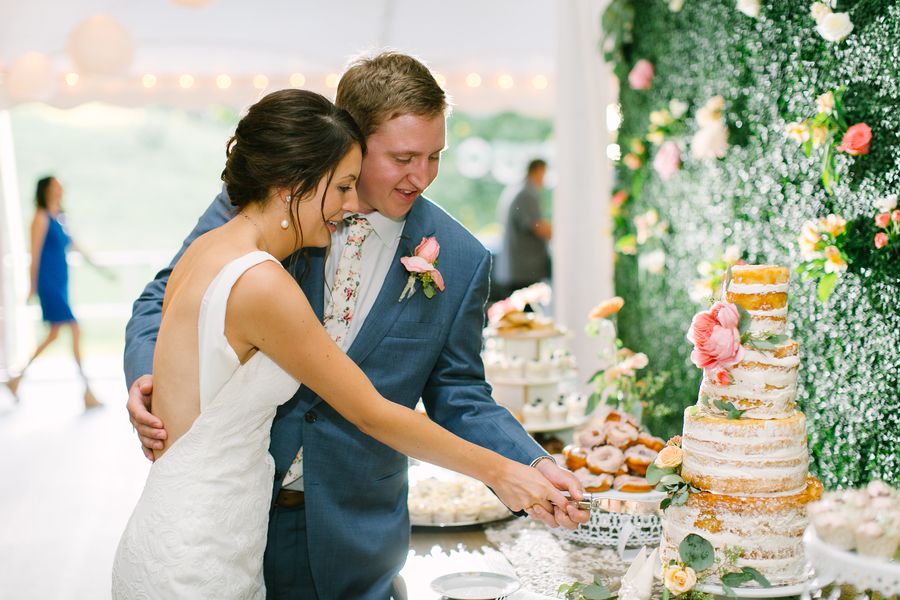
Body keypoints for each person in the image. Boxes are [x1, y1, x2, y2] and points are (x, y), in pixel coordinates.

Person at [125, 52, 588, 599]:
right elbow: (167, 295)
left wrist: (526, 461)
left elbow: (460, 393)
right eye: (403, 157)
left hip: (357, 532)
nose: (422, 176)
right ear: (350, 141)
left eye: (435, 156)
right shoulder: (276, 200)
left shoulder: (460, 257)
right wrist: (156, 382)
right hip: (240, 516)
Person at [7, 176, 100, 408]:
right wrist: (32, 286)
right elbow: (35, 254)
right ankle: (87, 390)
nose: (60, 190)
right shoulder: (40, 218)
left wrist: (97, 266)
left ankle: (16, 379)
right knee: (75, 329)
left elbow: (73, 244)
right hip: (49, 284)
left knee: (53, 334)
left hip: (61, 282)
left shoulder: (59, 217)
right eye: (56, 186)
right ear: (46, 190)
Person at [494, 158, 552, 298]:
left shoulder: (515, 189)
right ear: (538, 171)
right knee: (526, 317)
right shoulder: (526, 194)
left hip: (514, 270)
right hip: (523, 272)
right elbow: (538, 226)